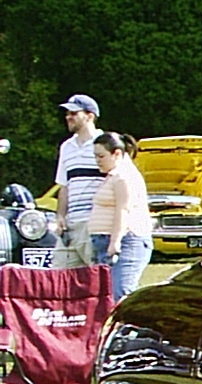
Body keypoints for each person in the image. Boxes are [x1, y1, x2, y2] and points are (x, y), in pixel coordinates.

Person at [87, 132, 152, 302]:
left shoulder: (125, 176)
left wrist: (115, 242)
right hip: (106, 241)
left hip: (126, 242)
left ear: (116, 154)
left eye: (101, 156)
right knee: (106, 297)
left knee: (120, 293)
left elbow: (124, 210)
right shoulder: (114, 175)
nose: (97, 160)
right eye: (95, 156)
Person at [53, 93, 105, 269]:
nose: (68, 117)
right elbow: (64, 186)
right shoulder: (66, 147)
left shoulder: (106, 143)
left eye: (74, 113)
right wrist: (60, 216)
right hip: (70, 226)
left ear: (90, 116)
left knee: (97, 276)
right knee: (59, 278)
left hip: (94, 224)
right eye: (67, 113)